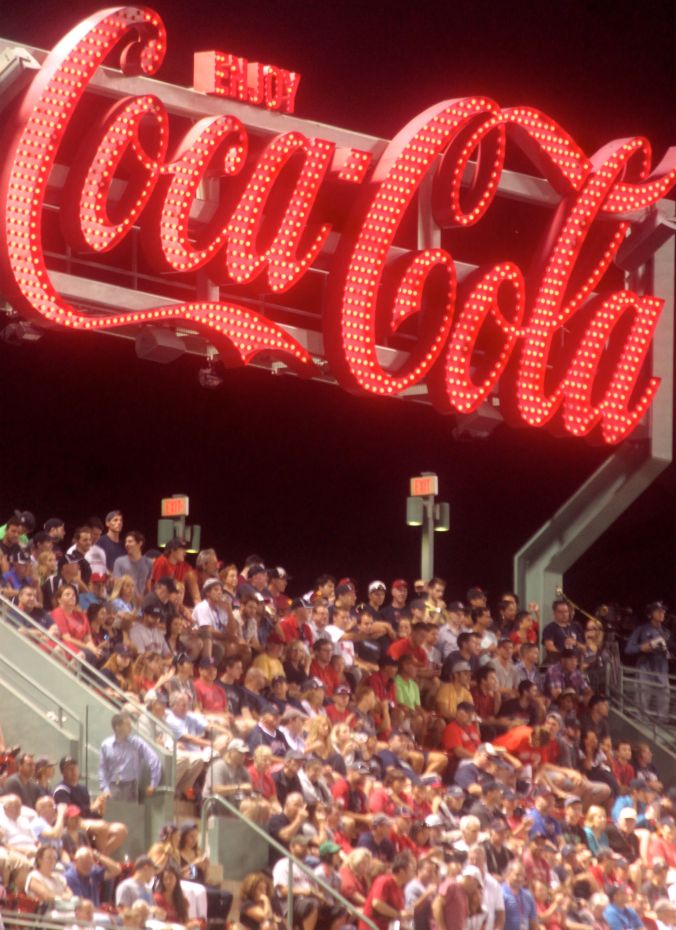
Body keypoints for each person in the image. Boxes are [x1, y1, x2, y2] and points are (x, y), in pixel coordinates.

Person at [98, 711, 163, 802]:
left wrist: (154, 783)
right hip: (112, 787)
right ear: (118, 727)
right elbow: (102, 769)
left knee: (130, 815)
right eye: (127, 725)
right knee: (112, 816)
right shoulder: (105, 745)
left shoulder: (136, 743)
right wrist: (105, 789)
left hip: (131, 787)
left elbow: (154, 759)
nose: (131, 727)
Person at [625, 602, 671, 723]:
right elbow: (628, 649)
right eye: (658, 611)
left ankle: (662, 730)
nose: (662, 613)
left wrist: (668, 651)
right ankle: (640, 725)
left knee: (663, 704)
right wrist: (642, 647)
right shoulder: (641, 629)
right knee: (642, 703)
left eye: (663, 611)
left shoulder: (667, 633)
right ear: (651, 614)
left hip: (661, 671)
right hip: (645, 669)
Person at [359, 851, 415, 930]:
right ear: (402, 872)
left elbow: (395, 922)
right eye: (411, 871)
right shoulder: (384, 881)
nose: (413, 874)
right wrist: (398, 914)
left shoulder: (400, 889)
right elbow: (377, 903)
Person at [25, 844, 74, 909]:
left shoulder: (59, 878)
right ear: (39, 860)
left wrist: (66, 896)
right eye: (49, 857)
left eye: (54, 858)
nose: (52, 860)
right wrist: (63, 897)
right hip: (43, 913)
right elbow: (46, 896)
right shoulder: (34, 876)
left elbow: (69, 893)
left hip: (62, 910)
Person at [501, 861, 537, 930]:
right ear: (508, 874)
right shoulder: (501, 893)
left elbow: (533, 921)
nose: (520, 878)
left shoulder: (528, 895)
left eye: (522, 876)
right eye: (517, 875)